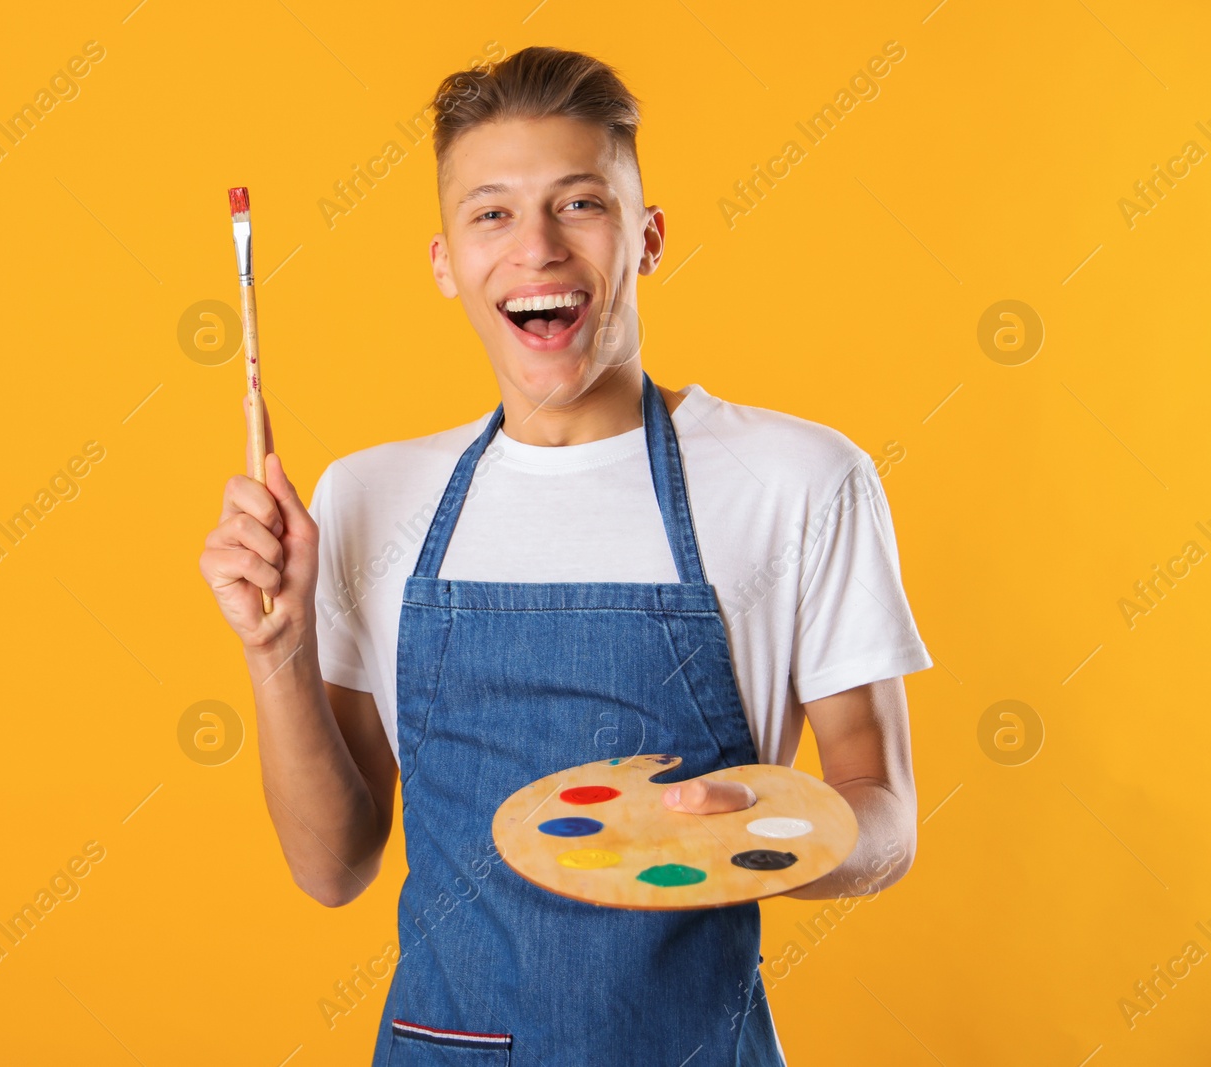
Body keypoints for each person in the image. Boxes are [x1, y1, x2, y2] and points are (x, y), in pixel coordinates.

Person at [199, 45, 932, 1067]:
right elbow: (332, 866)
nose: (534, 247)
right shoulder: (368, 498)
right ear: (445, 260)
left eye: (579, 203)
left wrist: (758, 828)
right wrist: (274, 651)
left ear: (646, 238)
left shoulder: (800, 478)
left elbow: (884, 815)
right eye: (490, 212)